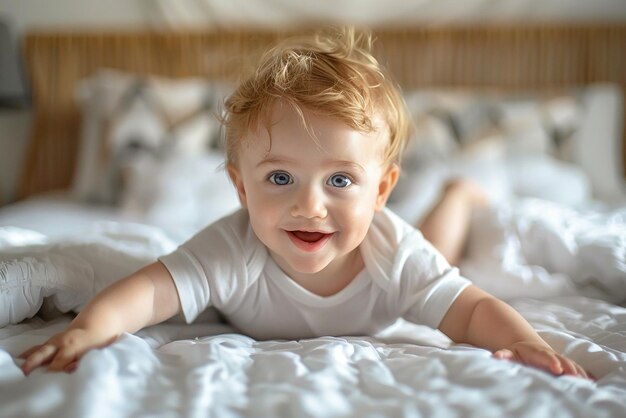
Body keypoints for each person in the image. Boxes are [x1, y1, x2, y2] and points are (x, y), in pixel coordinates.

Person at [17, 28, 591, 380]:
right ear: (241, 189)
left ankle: (458, 193)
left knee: (438, 253)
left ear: (381, 188)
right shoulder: (233, 245)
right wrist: (90, 330)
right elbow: (147, 292)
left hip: (389, 280)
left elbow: (468, 311)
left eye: (340, 181)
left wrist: (525, 343)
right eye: (281, 177)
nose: (310, 206)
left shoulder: (391, 249)